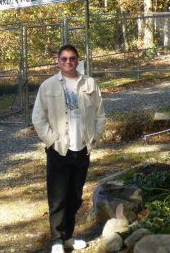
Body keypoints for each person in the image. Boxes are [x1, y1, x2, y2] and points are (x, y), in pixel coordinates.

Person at [32, 45, 106, 253]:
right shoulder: (48, 86)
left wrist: (94, 137)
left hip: (82, 149)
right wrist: (52, 141)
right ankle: (56, 240)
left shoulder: (90, 83)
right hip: (59, 150)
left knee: (75, 196)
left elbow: (100, 114)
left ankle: (69, 237)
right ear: (58, 61)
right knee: (58, 197)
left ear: (77, 60)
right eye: (64, 59)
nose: (68, 62)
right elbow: (38, 118)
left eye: (72, 58)